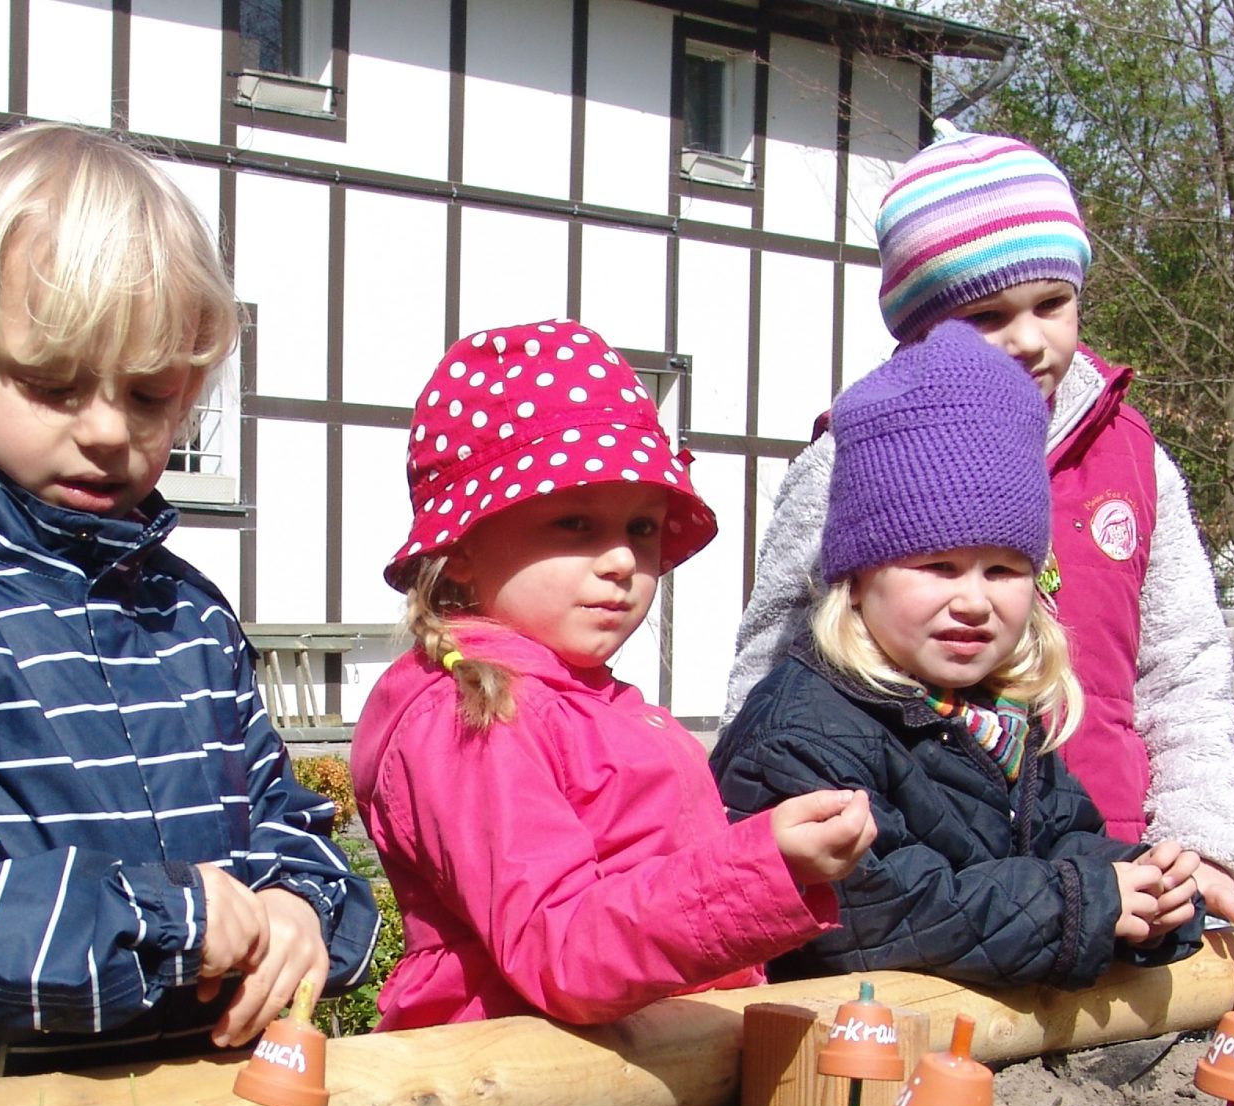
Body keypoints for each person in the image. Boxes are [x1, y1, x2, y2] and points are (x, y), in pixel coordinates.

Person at [0, 124, 375, 1074]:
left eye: (148, 394)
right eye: (52, 384)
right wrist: (159, 918)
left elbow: (284, 814)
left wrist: (303, 906)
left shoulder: (188, 614)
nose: (105, 430)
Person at [726, 126, 1234, 939]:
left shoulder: (1132, 458)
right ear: (917, 330)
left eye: (1052, 303)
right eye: (986, 315)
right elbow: (773, 653)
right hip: (925, 875)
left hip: (1101, 854)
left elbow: (1184, 669)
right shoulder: (859, 451)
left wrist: (1196, 851)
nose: (1029, 338)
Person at [350, 320, 876, 1029]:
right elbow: (561, 945)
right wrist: (762, 864)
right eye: (575, 524)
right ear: (463, 546)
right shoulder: (472, 713)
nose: (623, 561)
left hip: (628, 1070)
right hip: (521, 1094)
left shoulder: (589, 701)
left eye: (641, 528)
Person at [711, 324, 1204, 988]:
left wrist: (1150, 883)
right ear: (857, 579)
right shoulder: (802, 730)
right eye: (938, 567)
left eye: (1002, 571)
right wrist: (1087, 901)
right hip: (826, 1064)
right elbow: (879, 918)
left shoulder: (996, 714)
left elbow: (1064, 840)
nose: (973, 601)